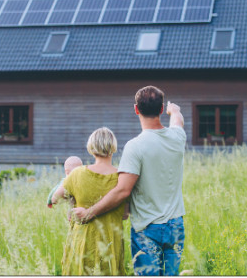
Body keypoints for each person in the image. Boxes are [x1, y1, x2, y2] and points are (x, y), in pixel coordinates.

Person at [73, 85, 187, 276]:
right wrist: (174, 110)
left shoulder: (135, 147)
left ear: (136, 109)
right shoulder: (177, 137)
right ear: (161, 110)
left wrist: (89, 213)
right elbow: (178, 121)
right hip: (176, 225)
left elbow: (122, 191)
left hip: (147, 228)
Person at [52, 127, 126, 275]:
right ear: (113, 147)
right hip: (111, 242)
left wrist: (68, 180)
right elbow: (125, 215)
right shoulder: (122, 177)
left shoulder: (77, 174)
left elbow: (55, 199)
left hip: (83, 242)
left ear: (91, 148)